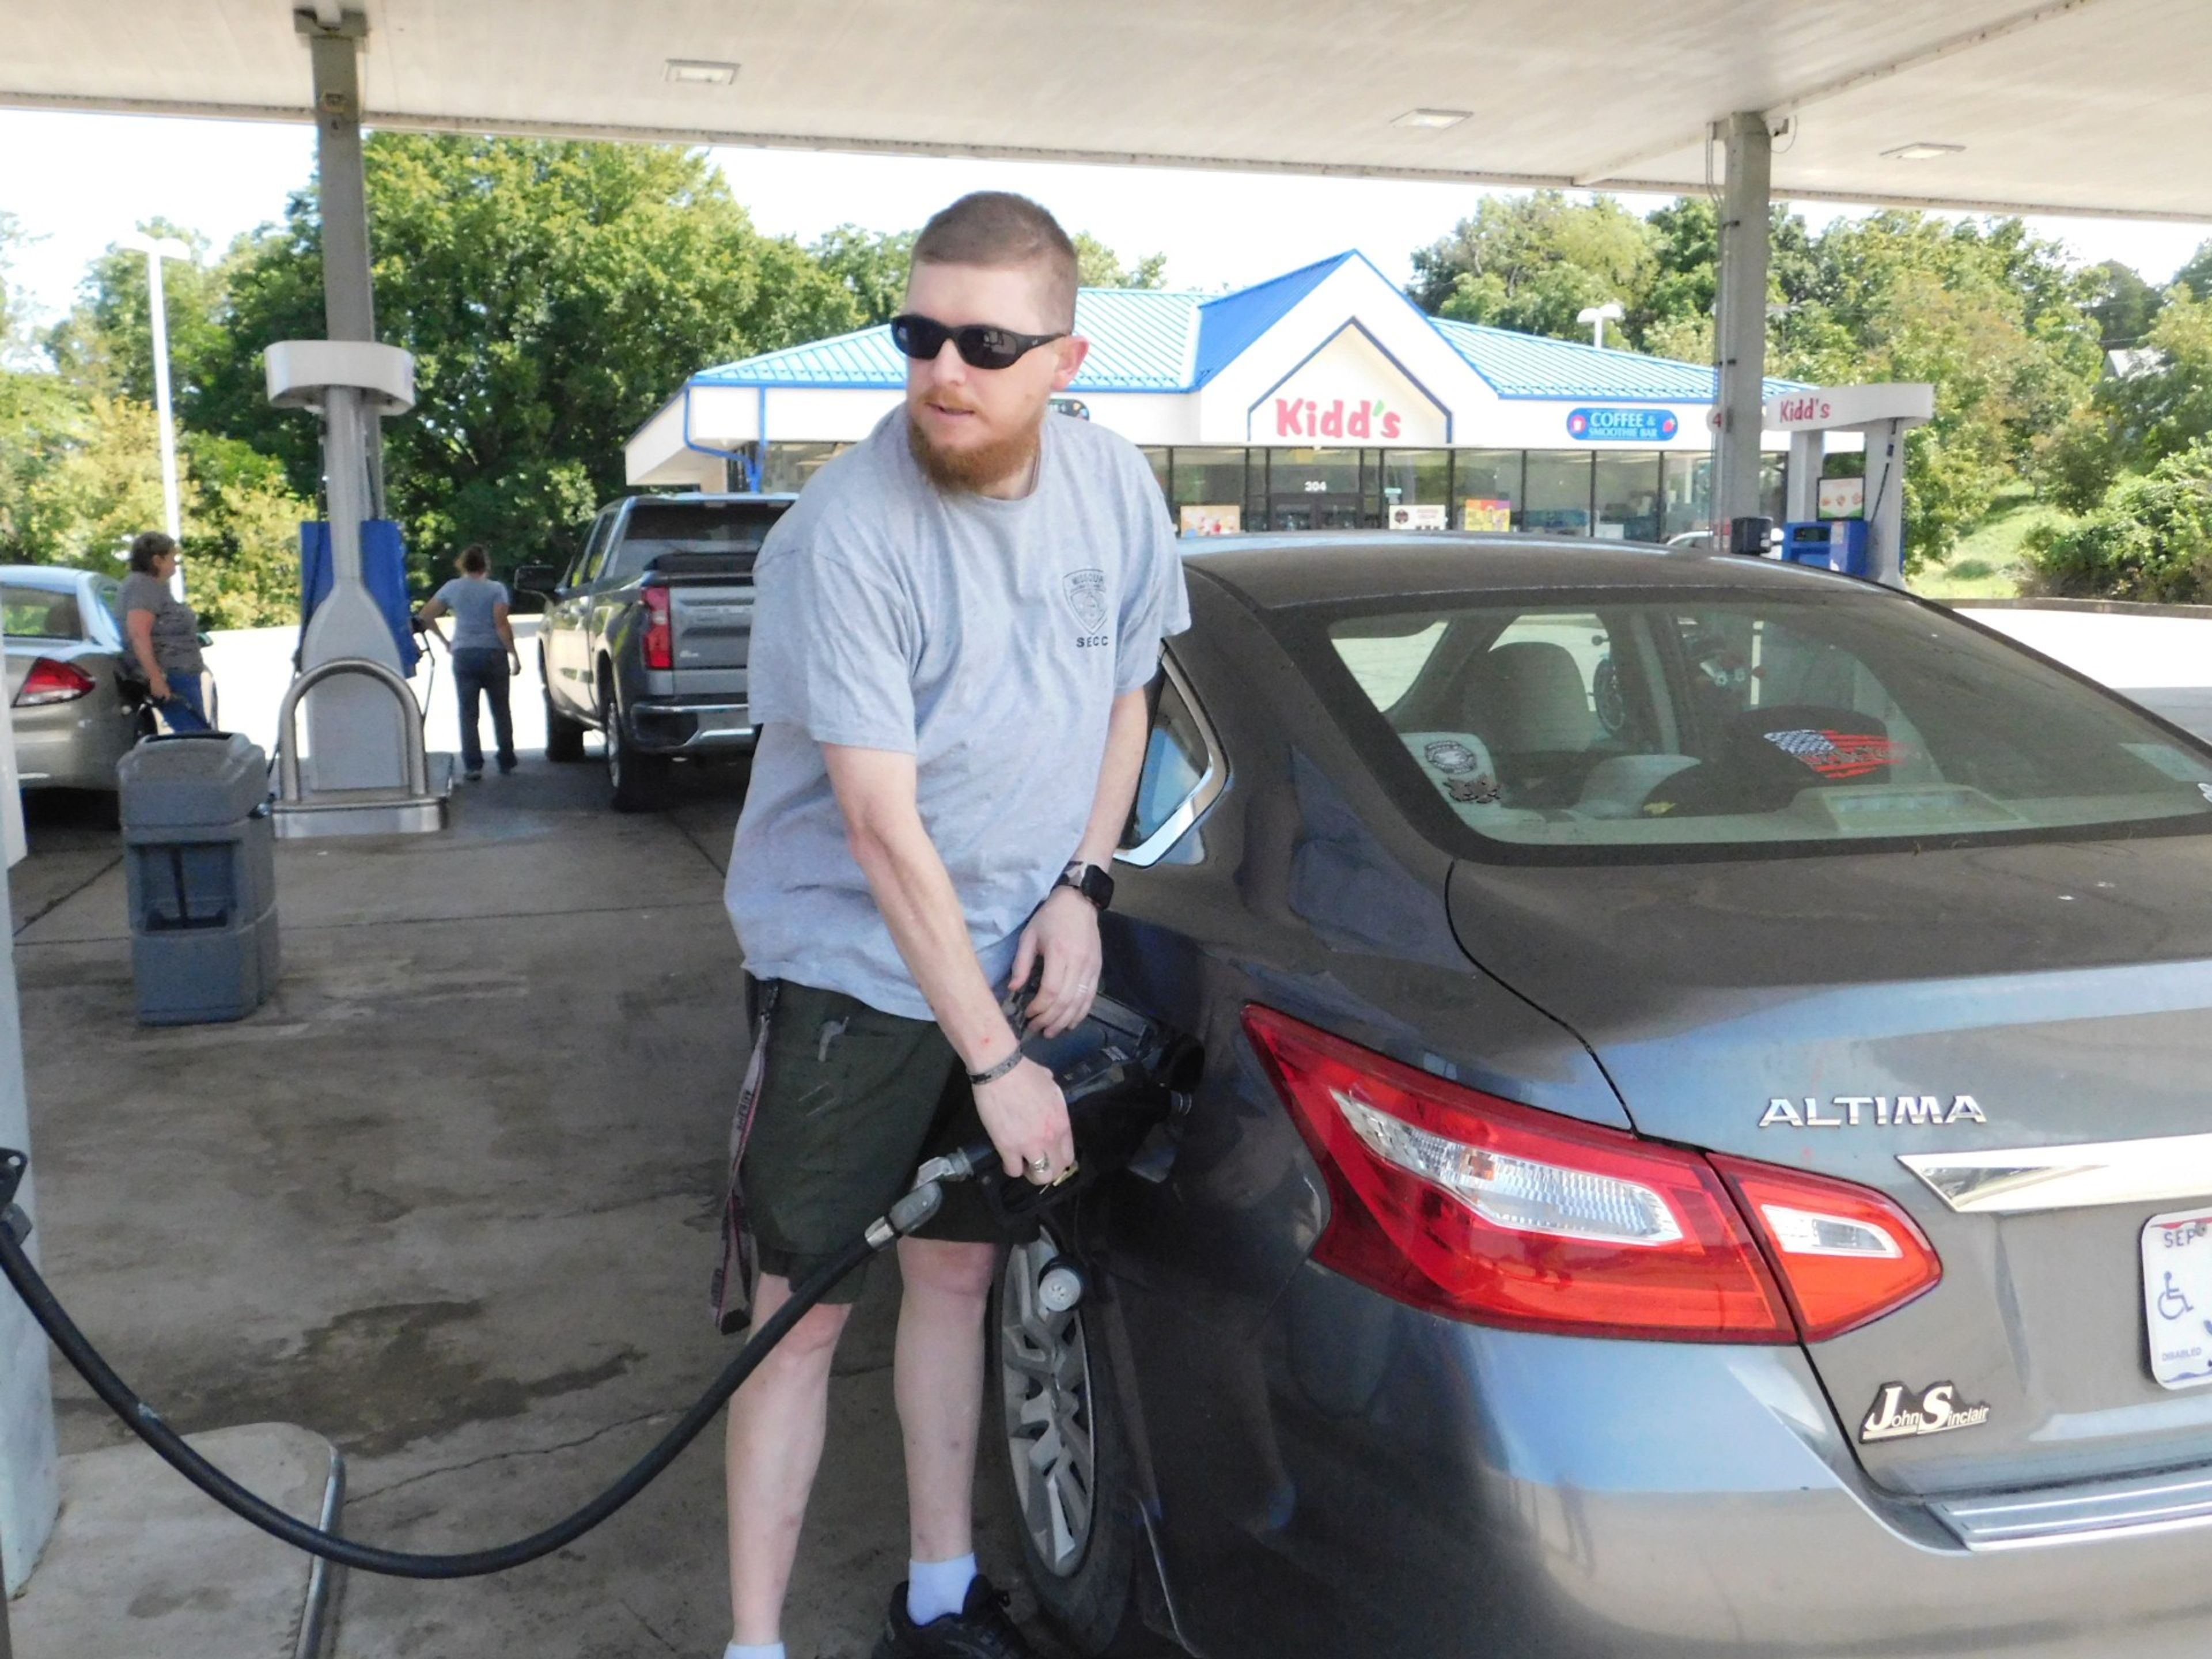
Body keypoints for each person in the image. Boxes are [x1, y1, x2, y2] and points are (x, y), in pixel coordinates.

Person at [717, 191, 1188, 1659]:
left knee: (958, 1270)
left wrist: (1084, 886)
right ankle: (753, 1643)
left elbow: (1130, 690)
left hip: (1010, 955)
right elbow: (878, 828)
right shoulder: (844, 534)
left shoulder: (1115, 487)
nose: (941, 370)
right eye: (917, 333)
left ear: (1065, 357)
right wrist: (995, 1063)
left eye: (985, 341)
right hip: (855, 973)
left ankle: (936, 1592)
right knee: (799, 1318)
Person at [413, 544, 520, 781]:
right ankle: (506, 760)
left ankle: (473, 765)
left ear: (463, 563)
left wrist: (445, 642)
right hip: (493, 654)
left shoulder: (452, 588)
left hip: (464, 653)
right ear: (486, 565)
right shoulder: (496, 589)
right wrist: (513, 654)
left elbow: (426, 615)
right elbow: (501, 624)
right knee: (501, 710)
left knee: (468, 712)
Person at [120, 531, 212, 733]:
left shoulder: (153, 587)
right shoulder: (143, 587)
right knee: (194, 738)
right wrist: (156, 678)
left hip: (178, 673)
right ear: (157, 560)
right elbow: (138, 633)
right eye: (172, 558)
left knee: (197, 735)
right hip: (170, 676)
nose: (176, 564)